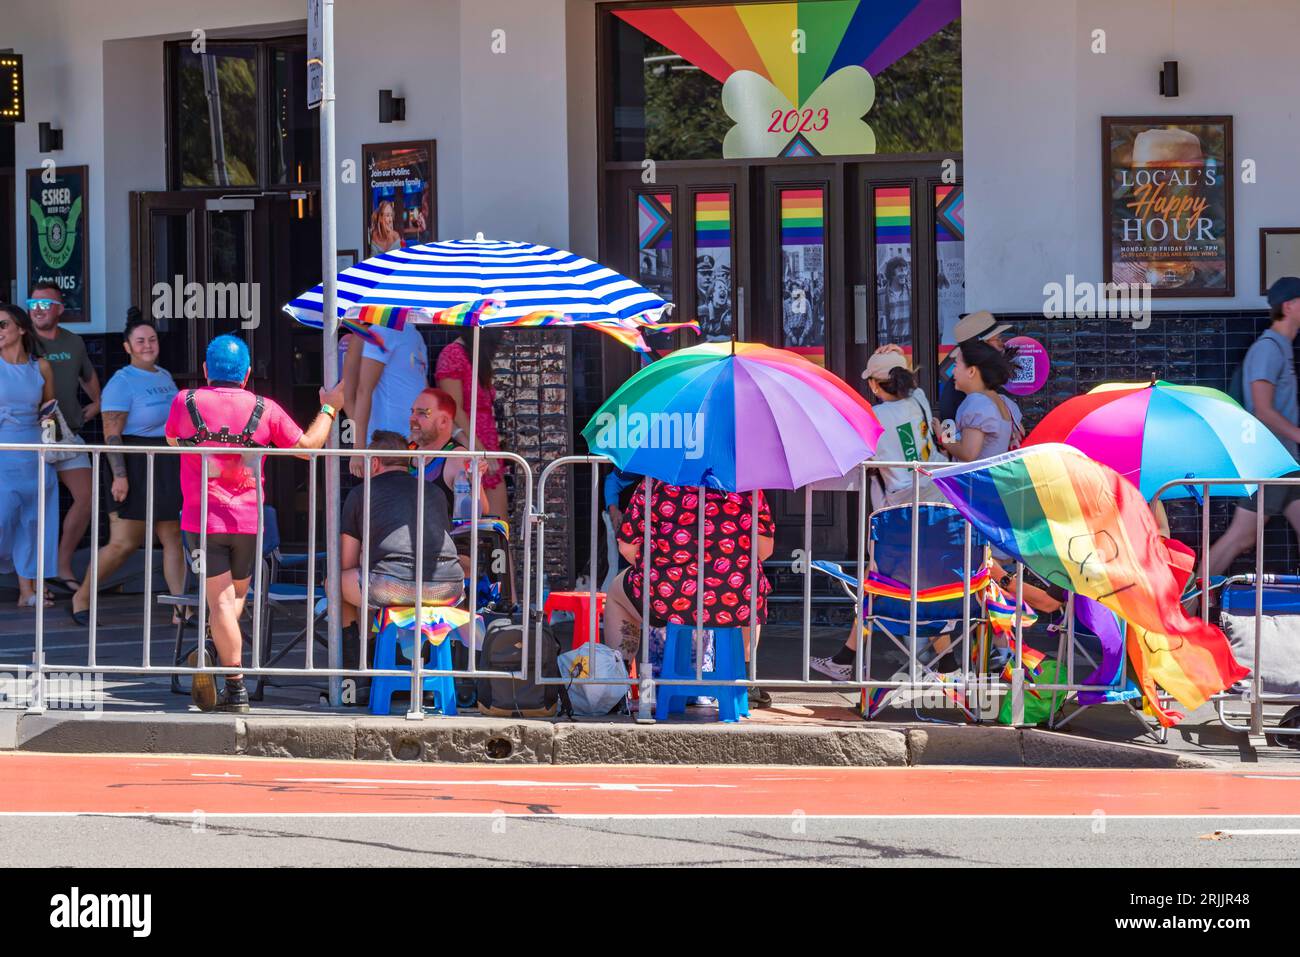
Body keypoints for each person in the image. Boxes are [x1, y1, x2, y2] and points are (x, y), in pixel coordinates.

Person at [165, 335, 344, 714]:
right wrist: (329, 409)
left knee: (221, 602)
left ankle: (235, 687)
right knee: (233, 601)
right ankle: (219, 647)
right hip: (249, 522)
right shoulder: (266, 408)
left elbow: (171, 439)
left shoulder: (187, 401)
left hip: (202, 520)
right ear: (247, 375)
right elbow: (309, 448)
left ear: (205, 371)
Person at [601, 479, 775, 708]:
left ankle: (618, 684)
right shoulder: (747, 487)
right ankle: (745, 677)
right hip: (730, 601)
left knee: (616, 592)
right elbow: (765, 551)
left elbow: (627, 547)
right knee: (750, 584)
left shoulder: (655, 484)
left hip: (668, 598)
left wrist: (657, 566)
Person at [70, 311, 185, 626]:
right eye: (140, 341)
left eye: (152, 339)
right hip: (132, 463)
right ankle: (82, 597)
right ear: (127, 347)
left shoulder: (163, 376)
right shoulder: (121, 382)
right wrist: (120, 476)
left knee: (173, 536)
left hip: (164, 462)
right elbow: (111, 434)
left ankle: (179, 608)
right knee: (124, 542)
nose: (148, 345)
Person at [339, 430, 465, 703]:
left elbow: (347, 562)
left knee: (336, 583)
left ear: (374, 463)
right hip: (449, 588)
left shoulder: (362, 493)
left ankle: (357, 672)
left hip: (391, 587)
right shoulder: (433, 491)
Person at [1208, 277, 1300, 576]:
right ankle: (1190, 601)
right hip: (1271, 463)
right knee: (1241, 537)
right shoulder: (1268, 348)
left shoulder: (1282, 347)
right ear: (1289, 305)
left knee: (1242, 536)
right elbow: (1263, 409)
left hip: (1287, 462)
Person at [28, 284, 101, 592]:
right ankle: (31, 578)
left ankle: (61, 565)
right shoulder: (21, 338)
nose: (39, 308)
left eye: (46, 303)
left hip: (68, 432)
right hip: (31, 434)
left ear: (60, 307)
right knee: (34, 506)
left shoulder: (74, 341)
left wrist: (96, 404)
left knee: (87, 497)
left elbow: (88, 375)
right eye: (33, 302)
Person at [0, 303, 58, 608]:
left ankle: (27, 591)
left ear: (21, 329)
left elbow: (49, 408)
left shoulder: (42, 366)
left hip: (34, 449)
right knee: (3, 517)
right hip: (3, 450)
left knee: (32, 522)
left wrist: (49, 432)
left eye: (3, 325)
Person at [858, 348, 947, 508]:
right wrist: (899, 355)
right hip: (938, 490)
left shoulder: (872, 418)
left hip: (903, 504)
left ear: (874, 384)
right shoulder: (918, 398)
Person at [345, 312, 429, 479]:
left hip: (415, 445)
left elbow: (424, 391)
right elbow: (356, 393)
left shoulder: (415, 335)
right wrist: (361, 446)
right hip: (386, 448)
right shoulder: (379, 332)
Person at [435, 329, 508, 519]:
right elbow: (454, 409)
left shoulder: (473, 356)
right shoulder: (453, 355)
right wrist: (479, 448)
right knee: (475, 523)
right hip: (470, 447)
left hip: (485, 447)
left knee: (498, 525)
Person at [935, 339, 1024, 463]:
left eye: (956, 365)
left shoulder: (977, 404)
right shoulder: (1005, 402)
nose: (953, 372)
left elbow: (968, 453)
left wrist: (943, 437)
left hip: (975, 480)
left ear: (971, 371)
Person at [935, 310, 1012, 423]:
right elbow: (948, 420)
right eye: (997, 339)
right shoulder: (958, 389)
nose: (1002, 345)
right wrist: (947, 440)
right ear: (984, 346)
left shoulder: (988, 383)